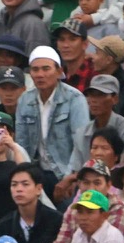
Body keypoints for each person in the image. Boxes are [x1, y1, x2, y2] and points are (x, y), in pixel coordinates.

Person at [14, 46, 89, 186]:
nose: (40, 74)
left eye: (46, 69)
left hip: (66, 173)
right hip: (35, 173)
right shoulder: (25, 100)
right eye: (35, 69)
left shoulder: (75, 99)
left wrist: (69, 178)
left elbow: (81, 144)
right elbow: (21, 143)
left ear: (59, 71)